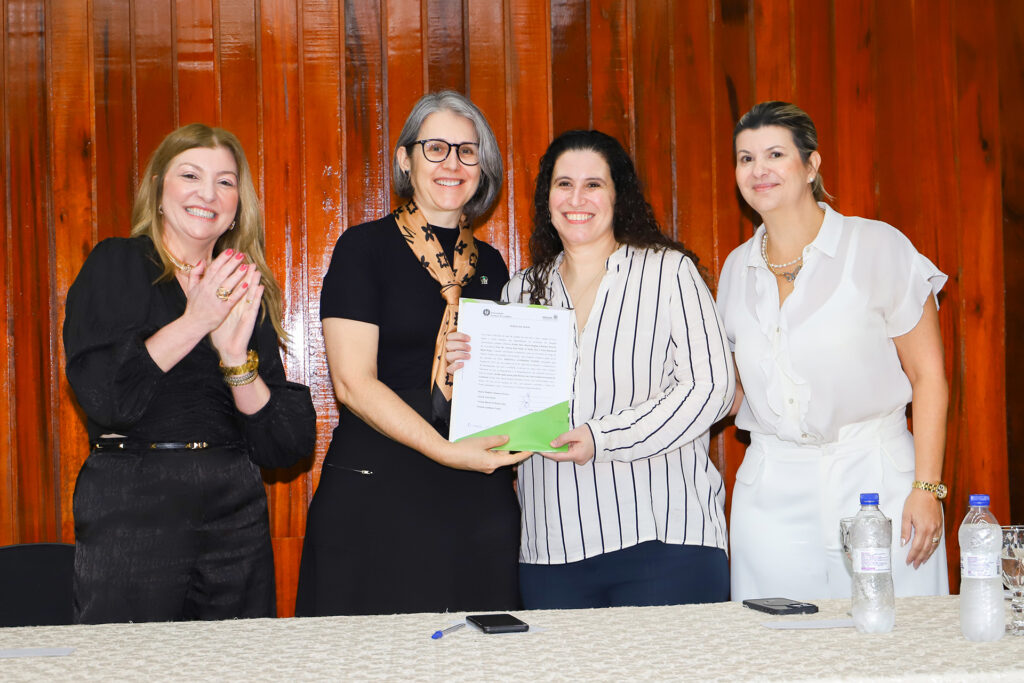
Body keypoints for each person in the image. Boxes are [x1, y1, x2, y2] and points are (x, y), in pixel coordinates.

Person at [448, 130, 735, 609]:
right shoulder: (519, 291)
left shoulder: (668, 272)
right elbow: (504, 421)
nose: (576, 199)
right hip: (551, 549)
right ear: (547, 198)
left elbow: (711, 389)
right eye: (563, 184)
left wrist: (603, 438)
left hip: (663, 539)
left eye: (593, 185)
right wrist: (468, 372)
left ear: (618, 195)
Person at [63, 123, 317, 624]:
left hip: (234, 510)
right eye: (191, 175)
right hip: (133, 502)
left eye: (226, 182)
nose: (209, 193)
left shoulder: (245, 287)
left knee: (236, 667)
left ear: (237, 205)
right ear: (159, 189)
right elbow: (108, 397)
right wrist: (196, 319)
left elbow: (287, 445)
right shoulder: (117, 262)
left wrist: (234, 361)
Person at [295, 91, 528, 617]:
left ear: (483, 167)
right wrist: (445, 451)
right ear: (405, 159)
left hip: (474, 498)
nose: (453, 163)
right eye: (436, 148)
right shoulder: (364, 248)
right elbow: (354, 384)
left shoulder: (490, 265)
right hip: (380, 495)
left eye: (468, 151)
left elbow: (503, 382)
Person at [718, 101, 950, 601]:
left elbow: (928, 376)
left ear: (811, 165)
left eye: (775, 154)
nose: (759, 170)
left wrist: (927, 490)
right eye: (745, 158)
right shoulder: (735, 270)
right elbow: (734, 389)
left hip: (880, 482)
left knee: (895, 648)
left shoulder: (878, 246)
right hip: (771, 493)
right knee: (777, 657)